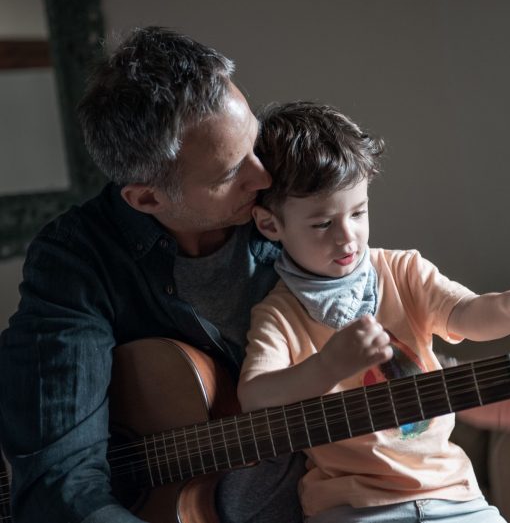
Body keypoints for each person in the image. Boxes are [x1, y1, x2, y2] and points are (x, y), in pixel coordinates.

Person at [0, 27, 307, 523]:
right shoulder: (78, 258)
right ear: (147, 199)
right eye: (230, 174)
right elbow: (59, 486)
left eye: (254, 140)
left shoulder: (292, 192)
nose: (265, 177)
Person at [236, 101, 510, 522]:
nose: (347, 238)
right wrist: (330, 364)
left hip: (452, 494)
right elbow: (255, 399)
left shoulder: (403, 271)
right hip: (351, 506)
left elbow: (465, 313)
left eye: (358, 213)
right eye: (322, 224)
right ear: (270, 226)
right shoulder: (279, 315)